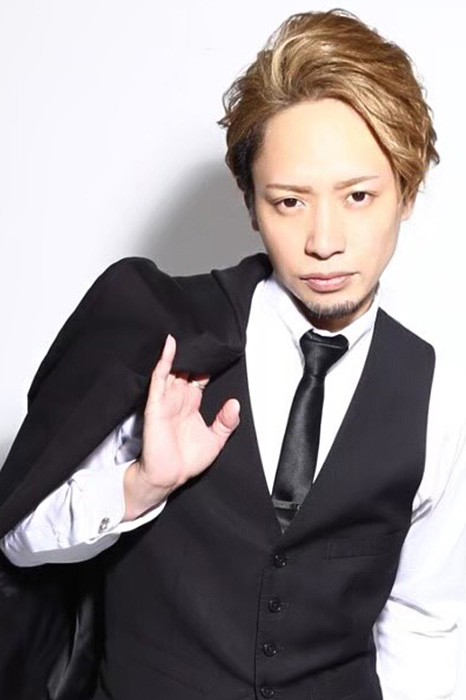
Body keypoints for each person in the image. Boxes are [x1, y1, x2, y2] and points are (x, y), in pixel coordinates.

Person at [0, 8, 465, 700]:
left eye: (359, 196)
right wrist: (139, 485)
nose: (325, 241)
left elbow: (424, 624)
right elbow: (18, 539)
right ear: (250, 203)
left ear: (407, 191)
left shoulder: (437, 398)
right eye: (289, 202)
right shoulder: (162, 330)